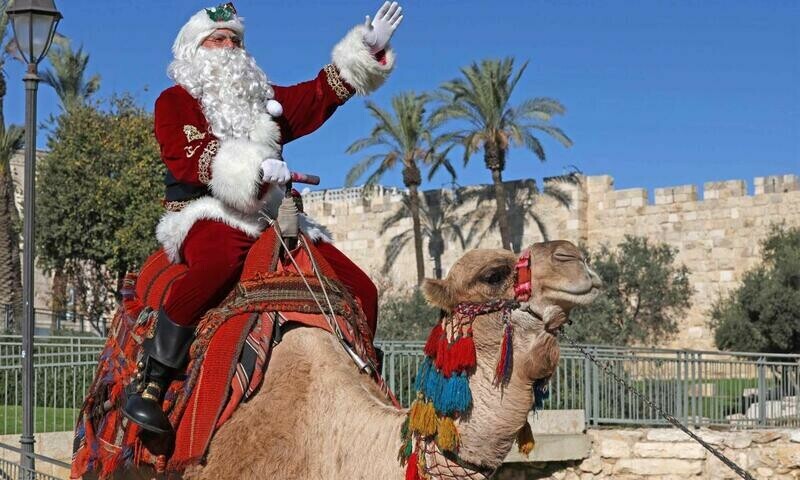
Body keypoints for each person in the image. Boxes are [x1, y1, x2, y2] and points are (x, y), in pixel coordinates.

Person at [122, 1, 403, 437]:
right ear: (195, 49)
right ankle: (154, 378)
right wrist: (251, 170)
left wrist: (361, 56)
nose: (230, 47)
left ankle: (361, 387)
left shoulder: (261, 97)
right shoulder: (174, 101)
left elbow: (313, 98)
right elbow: (185, 155)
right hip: (207, 209)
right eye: (218, 39)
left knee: (361, 288)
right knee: (218, 264)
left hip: (270, 214)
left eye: (236, 40)